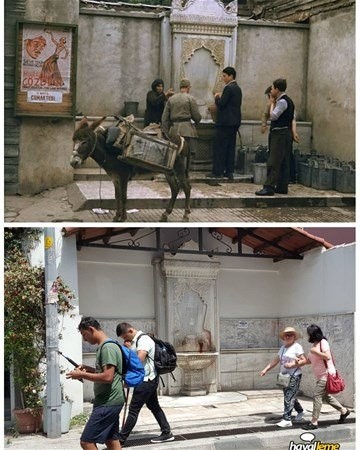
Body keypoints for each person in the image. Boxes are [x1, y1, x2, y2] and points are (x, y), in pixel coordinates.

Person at [66, 317, 124, 450]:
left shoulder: (107, 347)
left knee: (86, 441)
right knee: (111, 438)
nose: (84, 339)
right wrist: (88, 369)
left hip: (108, 402)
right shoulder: (106, 346)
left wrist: (81, 375)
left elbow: (108, 377)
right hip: (110, 401)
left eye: (84, 335)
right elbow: (107, 372)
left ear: (91, 329)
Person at [116, 322, 174, 445]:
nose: (126, 340)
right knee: (154, 406)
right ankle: (166, 432)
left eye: (126, 337)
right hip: (148, 379)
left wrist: (127, 349)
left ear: (130, 331)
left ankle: (121, 440)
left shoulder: (143, 340)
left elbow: (138, 360)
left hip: (146, 380)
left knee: (133, 410)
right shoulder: (136, 340)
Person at [302, 324, 350, 430]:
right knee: (325, 396)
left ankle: (314, 422)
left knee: (317, 395)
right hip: (320, 376)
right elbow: (310, 361)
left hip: (326, 375)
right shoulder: (315, 344)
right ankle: (344, 411)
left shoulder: (323, 342)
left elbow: (327, 356)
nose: (307, 335)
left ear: (312, 334)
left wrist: (316, 352)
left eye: (308, 333)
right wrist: (300, 361)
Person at [260, 326, 307, 428]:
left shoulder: (297, 347)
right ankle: (300, 411)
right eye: (286, 335)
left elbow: (304, 360)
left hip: (294, 375)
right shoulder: (282, 348)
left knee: (289, 396)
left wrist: (292, 365)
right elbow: (275, 361)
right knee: (289, 396)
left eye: (290, 335)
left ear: (294, 337)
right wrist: (265, 370)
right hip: (284, 377)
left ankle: (287, 419)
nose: (288, 337)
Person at [256, 78, 296, 196]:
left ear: (277, 89)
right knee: (283, 161)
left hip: (280, 134)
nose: (271, 90)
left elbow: (273, 116)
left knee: (273, 160)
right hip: (284, 133)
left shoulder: (282, 102)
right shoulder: (287, 101)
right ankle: (282, 186)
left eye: (272, 88)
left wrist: (273, 103)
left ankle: (269, 187)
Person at [208, 66, 242, 181]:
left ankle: (217, 172)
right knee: (230, 148)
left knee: (220, 148)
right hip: (234, 123)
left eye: (224, 76)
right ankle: (229, 171)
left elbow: (222, 104)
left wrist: (217, 97)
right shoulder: (238, 88)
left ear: (231, 76)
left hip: (225, 123)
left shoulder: (229, 88)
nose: (223, 78)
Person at [261, 85, 300, 184]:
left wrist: (294, 132)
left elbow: (290, 119)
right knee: (278, 159)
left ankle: (275, 183)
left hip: (282, 133)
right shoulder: (276, 103)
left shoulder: (283, 103)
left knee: (279, 159)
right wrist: (264, 125)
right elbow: (265, 114)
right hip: (279, 132)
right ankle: (281, 183)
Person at [162, 78, 202, 168]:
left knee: (173, 153)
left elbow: (164, 118)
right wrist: (196, 123)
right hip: (186, 130)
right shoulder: (190, 98)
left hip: (173, 130)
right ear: (188, 87)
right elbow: (196, 116)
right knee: (186, 154)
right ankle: (185, 174)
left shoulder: (171, 99)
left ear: (180, 87)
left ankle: (173, 172)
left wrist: (166, 131)